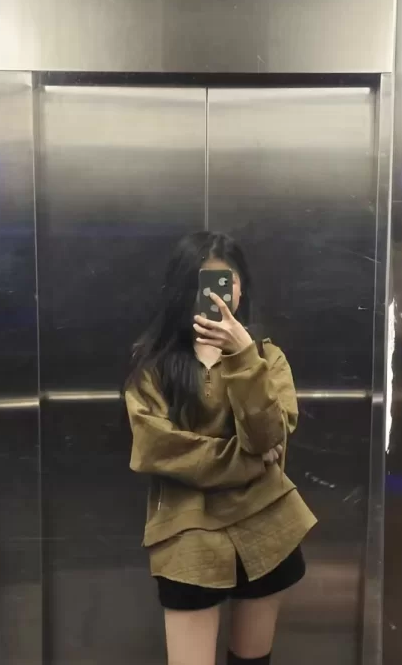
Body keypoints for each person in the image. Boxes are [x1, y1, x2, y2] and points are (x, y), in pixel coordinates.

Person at [125, 231, 317, 665]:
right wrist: (248, 462)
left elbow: (269, 437)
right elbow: (156, 448)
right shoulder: (155, 365)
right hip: (189, 534)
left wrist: (243, 357)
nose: (217, 294)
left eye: (227, 281)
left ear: (241, 287)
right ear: (183, 289)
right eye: (204, 283)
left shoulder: (267, 357)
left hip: (266, 527)